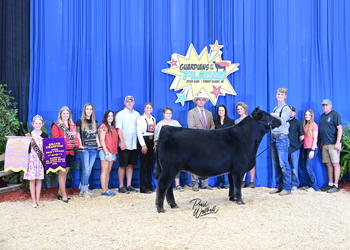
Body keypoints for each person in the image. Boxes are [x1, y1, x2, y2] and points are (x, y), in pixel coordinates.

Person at [52, 106, 82, 203]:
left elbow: (75, 138)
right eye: (64, 113)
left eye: (67, 113)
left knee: (65, 172)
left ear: (69, 115)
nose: (65, 115)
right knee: (62, 172)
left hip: (71, 151)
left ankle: (60, 192)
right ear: (61, 114)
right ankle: (64, 194)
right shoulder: (56, 125)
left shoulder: (72, 126)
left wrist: (79, 146)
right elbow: (55, 139)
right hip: (61, 152)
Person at [187, 93, 215, 191]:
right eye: (199, 100)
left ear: (205, 102)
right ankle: (195, 184)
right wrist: (202, 135)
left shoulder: (209, 113)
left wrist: (208, 135)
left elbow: (212, 126)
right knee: (195, 162)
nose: (201, 101)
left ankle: (205, 183)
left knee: (207, 161)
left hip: (207, 141)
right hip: (196, 141)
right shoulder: (191, 112)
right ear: (196, 101)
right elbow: (191, 127)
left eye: (203, 100)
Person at [269, 88, 292, 195]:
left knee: (284, 164)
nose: (280, 96)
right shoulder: (275, 108)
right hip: (273, 137)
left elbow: (282, 121)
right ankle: (278, 186)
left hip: (282, 137)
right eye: (278, 94)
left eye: (282, 94)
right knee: (276, 164)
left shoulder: (286, 108)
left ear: (285, 96)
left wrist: (274, 116)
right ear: (276, 95)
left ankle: (287, 188)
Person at [154, 107, 183, 191]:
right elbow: (156, 136)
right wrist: (156, 145)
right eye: (167, 113)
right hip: (164, 148)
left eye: (170, 113)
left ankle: (177, 185)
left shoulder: (176, 123)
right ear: (163, 114)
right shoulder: (160, 124)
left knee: (177, 166)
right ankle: (163, 185)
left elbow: (182, 135)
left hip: (175, 148)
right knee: (164, 166)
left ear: (172, 114)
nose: (168, 115)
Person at [116, 95, 140, 193]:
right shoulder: (120, 114)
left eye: (131, 101)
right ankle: (121, 186)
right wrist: (122, 142)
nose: (129, 103)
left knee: (130, 165)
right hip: (124, 143)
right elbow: (119, 129)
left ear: (133, 103)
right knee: (122, 165)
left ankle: (129, 184)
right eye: (127, 101)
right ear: (125, 103)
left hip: (134, 144)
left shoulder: (137, 114)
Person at [76, 103, 101, 198]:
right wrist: (80, 145)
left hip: (94, 148)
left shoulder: (95, 122)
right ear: (84, 110)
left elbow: (96, 135)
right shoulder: (80, 121)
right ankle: (85, 190)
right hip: (84, 148)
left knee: (88, 170)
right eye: (87, 109)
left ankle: (82, 189)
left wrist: (99, 145)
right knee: (86, 169)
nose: (89, 111)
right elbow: (78, 134)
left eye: (90, 109)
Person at [24, 115, 48, 208]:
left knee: (39, 180)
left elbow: (47, 148)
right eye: (36, 123)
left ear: (42, 124)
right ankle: (33, 201)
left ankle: (38, 200)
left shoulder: (45, 135)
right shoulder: (29, 134)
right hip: (32, 160)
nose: (38, 125)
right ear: (33, 124)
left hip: (40, 160)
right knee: (32, 180)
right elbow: (26, 149)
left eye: (39, 123)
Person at [320, 99, 343, 193]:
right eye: (323, 105)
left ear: (331, 105)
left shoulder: (335, 115)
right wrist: (321, 142)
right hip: (325, 144)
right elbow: (323, 130)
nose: (325, 106)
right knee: (328, 164)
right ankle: (330, 184)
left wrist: (338, 142)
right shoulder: (322, 116)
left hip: (333, 144)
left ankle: (336, 185)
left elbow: (340, 129)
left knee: (335, 164)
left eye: (326, 105)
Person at [235, 102, 256, 188]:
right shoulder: (236, 121)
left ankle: (252, 182)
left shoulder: (250, 119)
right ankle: (243, 181)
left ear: (244, 109)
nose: (239, 110)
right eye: (238, 109)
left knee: (251, 162)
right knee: (242, 162)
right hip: (240, 144)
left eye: (241, 109)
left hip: (249, 143)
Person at [137, 102, 156, 194]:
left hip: (151, 141)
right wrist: (143, 145)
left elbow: (155, 132)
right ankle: (143, 187)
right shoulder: (141, 118)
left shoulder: (153, 119)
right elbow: (139, 132)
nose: (148, 109)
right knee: (144, 165)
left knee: (149, 165)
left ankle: (149, 185)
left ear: (152, 109)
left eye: (150, 108)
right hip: (144, 140)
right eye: (147, 108)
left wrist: (155, 143)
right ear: (144, 109)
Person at [214, 104, 234, 189]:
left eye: (222, 110)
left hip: (227, 146)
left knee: (226, 164)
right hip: (217, 146)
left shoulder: (230, 121)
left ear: (225, 111)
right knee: (219, 164)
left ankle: (226, 183)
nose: (221, 112)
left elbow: (233, 134)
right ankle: (220, 182)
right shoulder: (215, 122)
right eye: (219, 110)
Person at [99, 110, 118, 197]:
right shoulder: (103, 127)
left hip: (112, 152)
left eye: (112, 116)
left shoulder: (113, 127)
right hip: (105, 151)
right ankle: (104, 190)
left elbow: (114, 141)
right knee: (104, 170)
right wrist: (106, 153)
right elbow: (102, 141)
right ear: (106, 117)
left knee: (108, 171)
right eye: (109, 116)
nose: (110, 117)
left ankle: (107, 189)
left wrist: (114, 154)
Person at [288, 106, 305, 191]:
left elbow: (302, 137)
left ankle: (294, 184)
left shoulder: (298, 123)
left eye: (292, 111)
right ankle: (286, 184)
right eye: (289, 111)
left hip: (294, 149)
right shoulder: (284, 122)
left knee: (294, 168)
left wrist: (297, 144)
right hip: (284, 149)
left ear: (294, 113)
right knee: (285, 167)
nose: (291, 113)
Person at [302, 109, 319, 192]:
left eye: (308, 115)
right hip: (306, 148)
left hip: (312, 148)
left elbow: (315, 139)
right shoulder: (306, 125)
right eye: (306, 115)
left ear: (312, 116)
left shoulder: (314, 125)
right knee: (307, 167)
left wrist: (312, 150)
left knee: (309, 168)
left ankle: (315, 187)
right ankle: (310, 185)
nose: (307, 116)